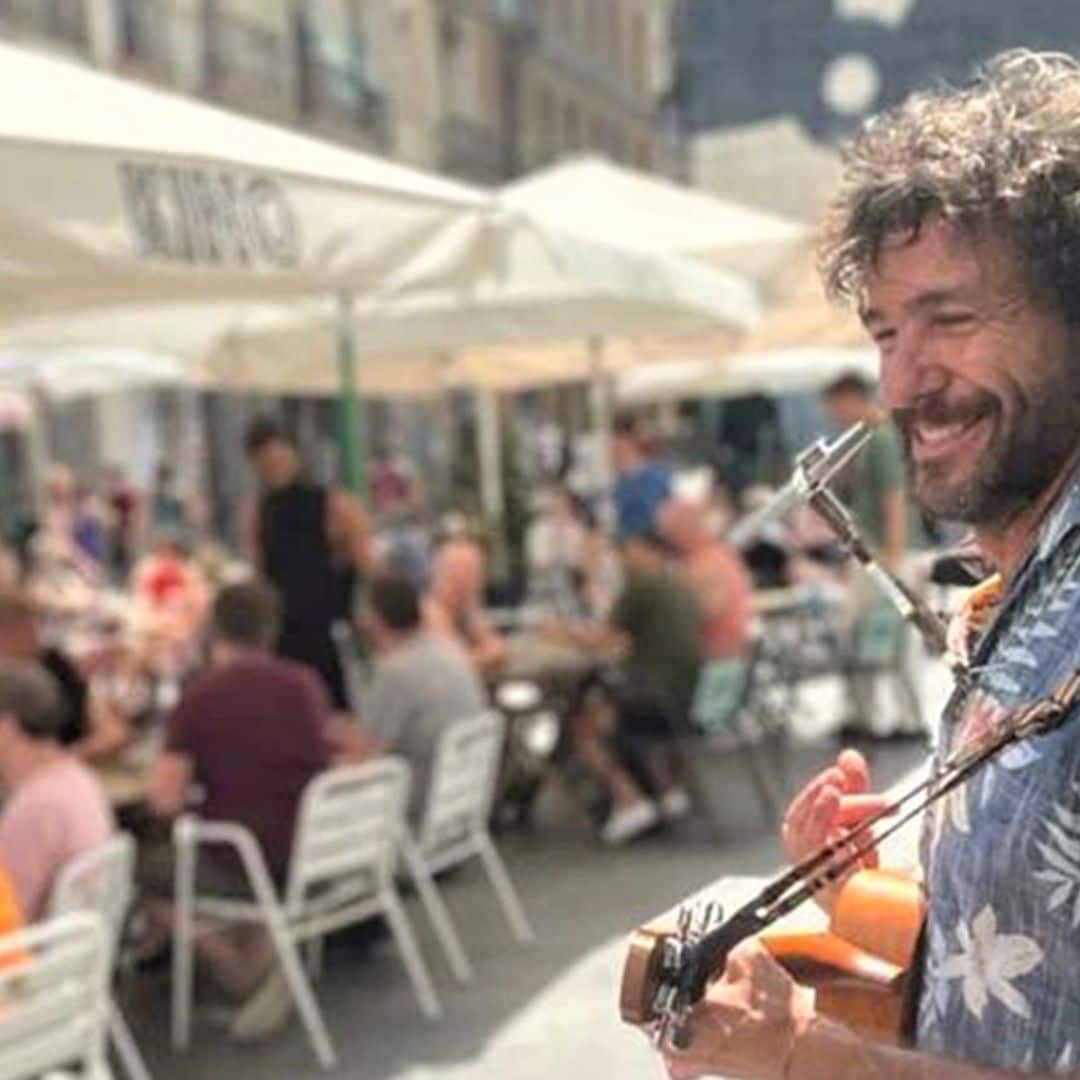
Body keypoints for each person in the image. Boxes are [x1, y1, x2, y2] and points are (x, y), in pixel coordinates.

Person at [661, 50, 1080, 1080]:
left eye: (951, 319)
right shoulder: (1024, 592)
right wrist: (876, 894)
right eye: (886, 332)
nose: (903, 381)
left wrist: (800, 1058)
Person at [146, 580, 333, 1037]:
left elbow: (162, 801)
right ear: (270, 630)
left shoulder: (199, 700)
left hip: (244, 859)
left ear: (214, 630)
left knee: (143, 870)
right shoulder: (304, 685)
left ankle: (236, 970)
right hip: (310, 849)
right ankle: (261, 961)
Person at [547, 532, 701, 844]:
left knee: (583, 726)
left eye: (626, 552)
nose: (622, 560)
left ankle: (629, 800)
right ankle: (665, 790)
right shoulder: (678, 582)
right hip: (687, 695)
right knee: (606, 704)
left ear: (643, 550)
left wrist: (556, 633)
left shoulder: (642, 586)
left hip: (658, 700)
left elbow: (600, 639)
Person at [244, 416, 371, 710]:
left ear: (293, 454)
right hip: (285, 631)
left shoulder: (332, 504)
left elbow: (363, 563)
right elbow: (259, 574)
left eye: (277, 457)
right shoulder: (257, 512)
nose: (273, 466)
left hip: (328, 630)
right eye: (264, 461)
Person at [359, 574, 487, 824]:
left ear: (374, 619)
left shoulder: (395, 671)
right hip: (461, 794)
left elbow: (369, 752)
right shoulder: (450, 652)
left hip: (417, 801)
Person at [0, 659, 114, 922]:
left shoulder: (35, 807)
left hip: (33, 957)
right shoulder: (78, 778)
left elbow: (9, 915)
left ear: (6, 727)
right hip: (78, 952)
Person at [0, 589, 130, 760]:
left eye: (29, 625)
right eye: (14, 629)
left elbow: (113, 733)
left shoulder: (56, 665)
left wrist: (61, 760)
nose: (30, 635)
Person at [659, 497, 754, 661]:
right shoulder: (716, 554)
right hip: (721, 655)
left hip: (717, 660)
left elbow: (700, 613)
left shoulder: (706, 563)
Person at [425, 537, 507, 678]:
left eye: (475, 573)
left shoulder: (465, 611)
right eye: (463, 571)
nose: (473, 581)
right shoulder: (431, 613)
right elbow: (451, 665)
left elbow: (497, 647)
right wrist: (487, 656)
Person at [612, 413, 673, 540]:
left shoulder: (657, 475)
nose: (612, 455)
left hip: (653, 542)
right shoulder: (621, 483)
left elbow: (654, 514)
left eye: (618, 449)